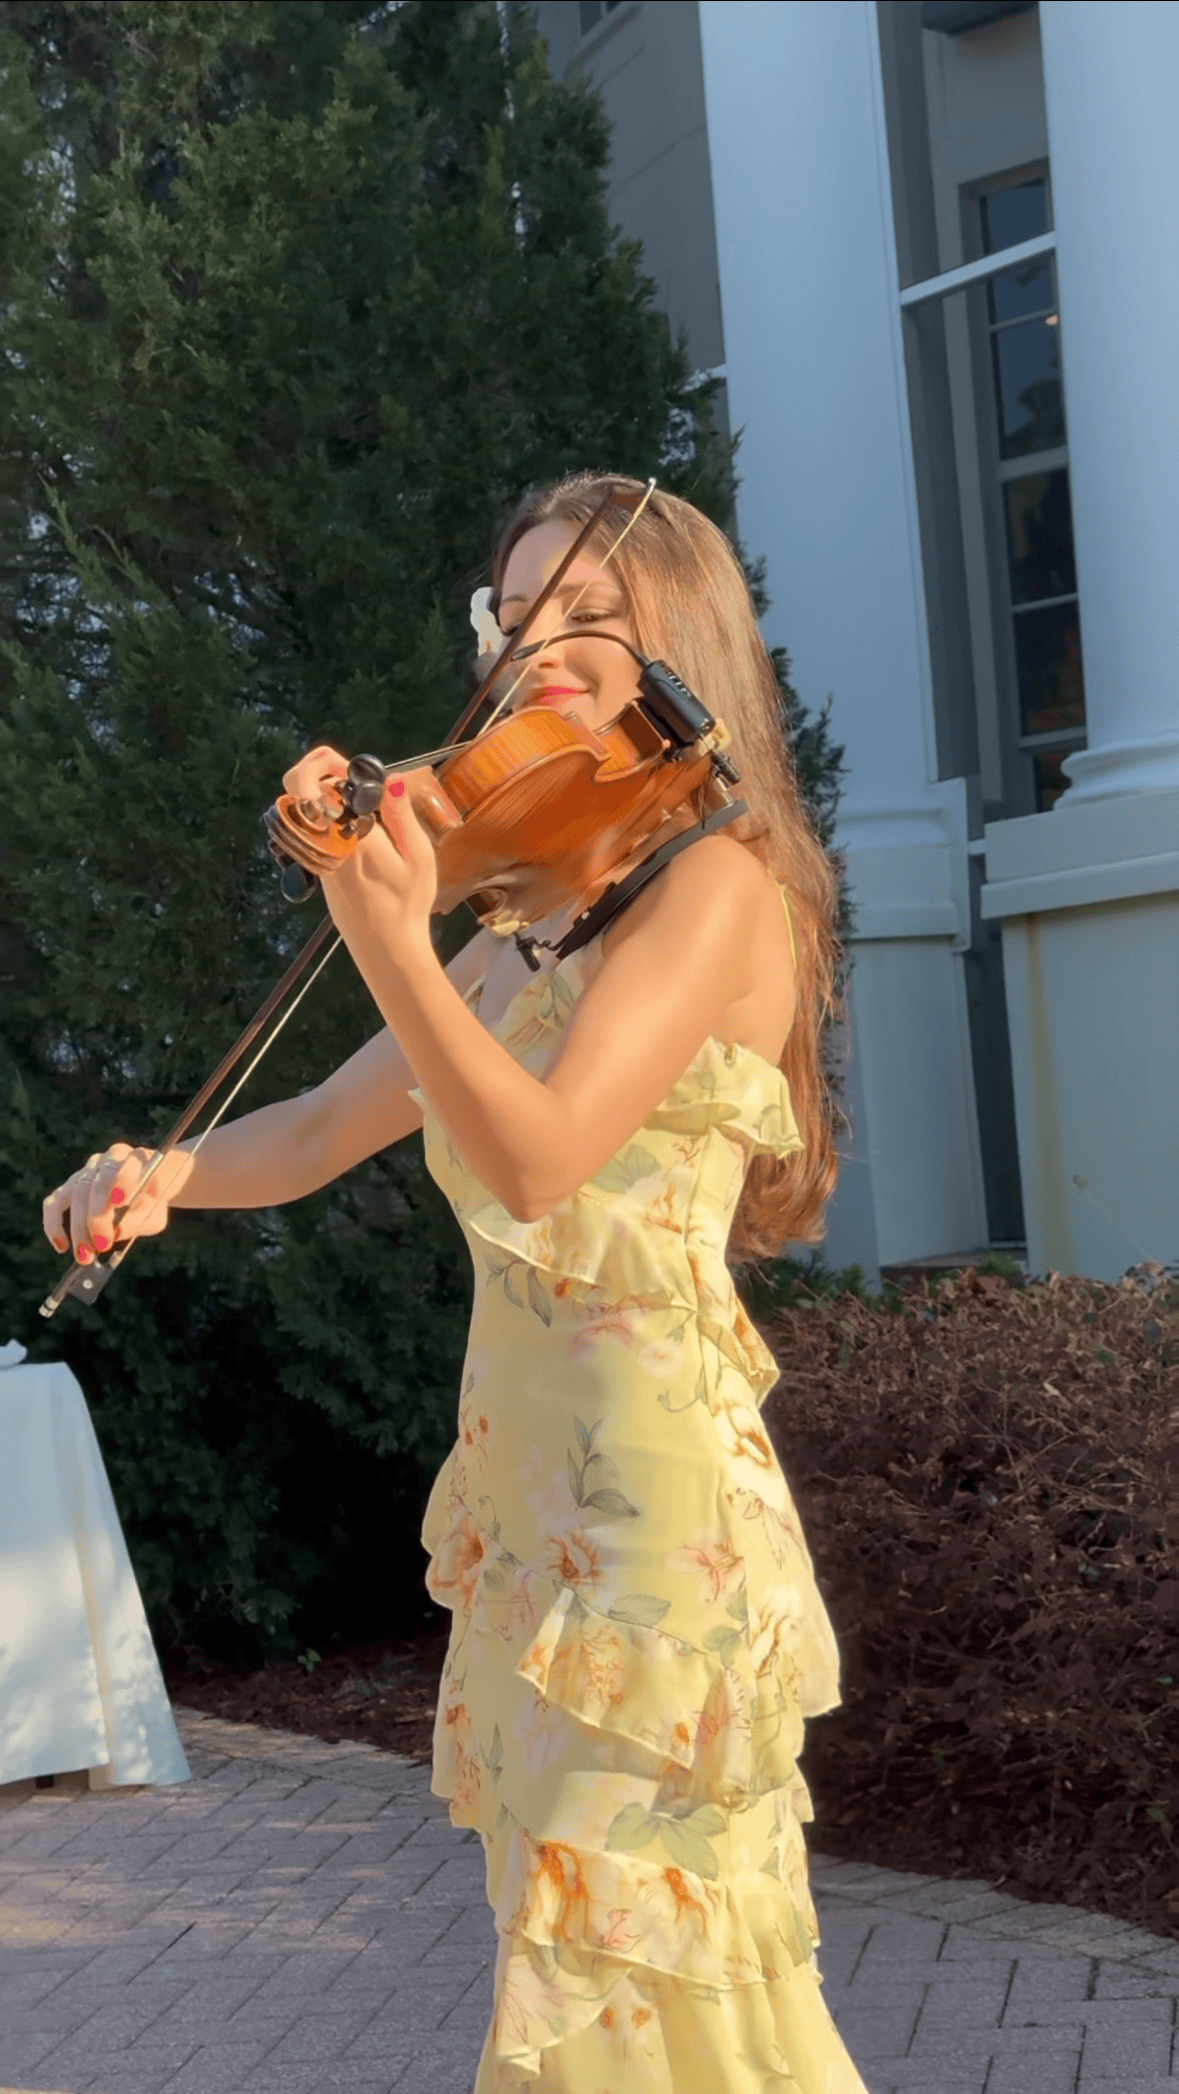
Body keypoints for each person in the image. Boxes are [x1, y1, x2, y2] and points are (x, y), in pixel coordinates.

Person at [43, 474, 866, 2093]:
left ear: (676, 645)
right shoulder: (525, 920)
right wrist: (166, 1173)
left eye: (587, 617)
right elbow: (328, 1121)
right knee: (590, 1969)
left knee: (635, 1979)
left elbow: (542, 1157)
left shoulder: (718, 888)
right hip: (532, 1507)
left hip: (654, 1524)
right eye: (515, 613)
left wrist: (393, 937)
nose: (535, 648)